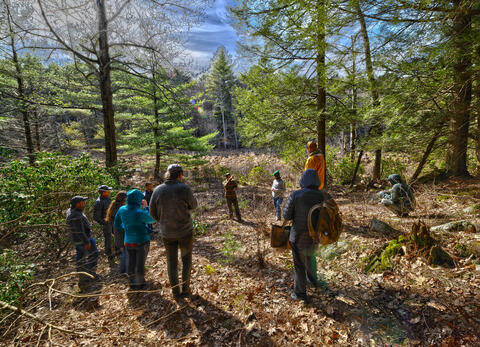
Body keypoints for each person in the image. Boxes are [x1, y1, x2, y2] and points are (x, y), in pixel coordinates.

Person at [282, 169, 332, 303]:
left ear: (303, 179)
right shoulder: (324, 195)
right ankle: (313, 281)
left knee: (299, 265)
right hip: (315, 236)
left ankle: (300, 294)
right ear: (317, 180)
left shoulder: (295, 195)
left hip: (297, 236)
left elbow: (286, 216)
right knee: (310, 258)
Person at [149, 164, 198, 298]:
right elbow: (194, 205)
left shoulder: (158, 190)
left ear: (168, 174)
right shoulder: (184, 188)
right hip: (185, 232)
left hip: (167, 233)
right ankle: (185, 289)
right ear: (180, 175)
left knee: (171, 262)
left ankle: (176, 292)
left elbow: (151, 211)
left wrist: (163, 222)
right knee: (186, 259)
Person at [114, 189, 155, 289]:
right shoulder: (140, 212)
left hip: (128, 241)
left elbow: (117, 224)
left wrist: (126, 228)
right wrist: (146, 207)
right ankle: (141, 284)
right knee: (140, 263)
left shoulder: (122, 209)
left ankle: (132, 283)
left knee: (132, 262)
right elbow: (152, 219)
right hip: (141, 240)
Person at [66, 196, 99, 289]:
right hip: (83, 240)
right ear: (78, 204)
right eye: (83, 202)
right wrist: (86, 242)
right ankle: (88, 274)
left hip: (79, 240)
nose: (84, 203)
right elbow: (79, 231)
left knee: (81, 258)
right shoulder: (75, 215)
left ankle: (83, 275)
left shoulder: (72, 211)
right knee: (93, 255)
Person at [105, 191, 128, 273]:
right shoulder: (121, 207)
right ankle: (121, 265)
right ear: (124, 198)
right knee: (123, 247)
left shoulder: (114, 204)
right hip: (119, 230)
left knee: (119, 245)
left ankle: (117, 259)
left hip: (114, 229)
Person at [93, 185, 114, 260]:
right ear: (103, 192)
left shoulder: (108, 199)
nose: (109, 192)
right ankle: (109, 255)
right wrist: (105, 222)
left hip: (112, 221)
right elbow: (96, 217)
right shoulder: (99, 202)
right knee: (108, 239)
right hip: (106, 223)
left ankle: (116, 251)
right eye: (107, 191)